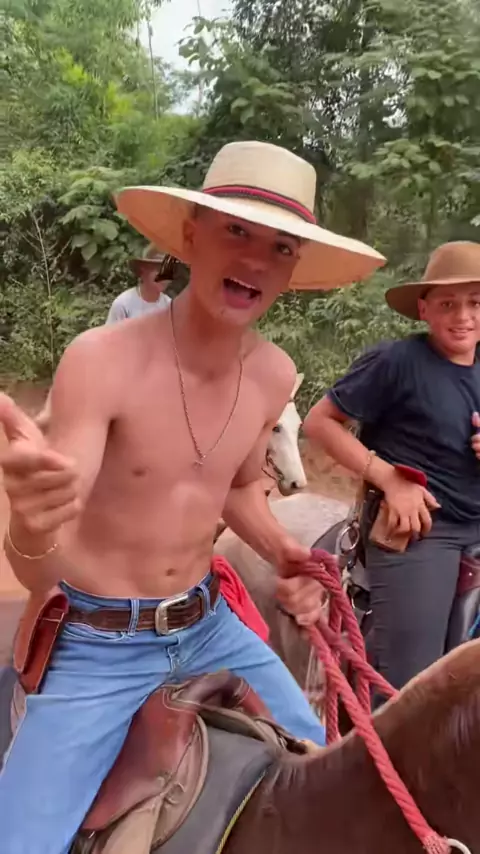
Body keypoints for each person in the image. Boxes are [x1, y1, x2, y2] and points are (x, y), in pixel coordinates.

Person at [0, 139, 384, 853]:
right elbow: (39, 564)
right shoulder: (101, 361)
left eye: (280, 247)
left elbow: (234, 486)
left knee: (332, 779)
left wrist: (285, 552)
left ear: (292, 269)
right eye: (235, 231)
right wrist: (29, 515)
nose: (255, 259)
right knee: (23, 841)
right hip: (99, 642)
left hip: (209, 625)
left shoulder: (273, 374)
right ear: (190, 236)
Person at [304, 240, 480, 696]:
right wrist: (389, 479)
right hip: (424, 529)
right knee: (412, 685)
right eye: (448, 304)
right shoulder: (397, 361)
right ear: (424, 309)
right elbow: (319, 423)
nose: (463, 316)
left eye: (475, 303)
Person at [105, 244, 174, 324]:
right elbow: (111, 331)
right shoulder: (123, 304)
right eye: (159, 270)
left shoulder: (168, 305)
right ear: (143, 270)